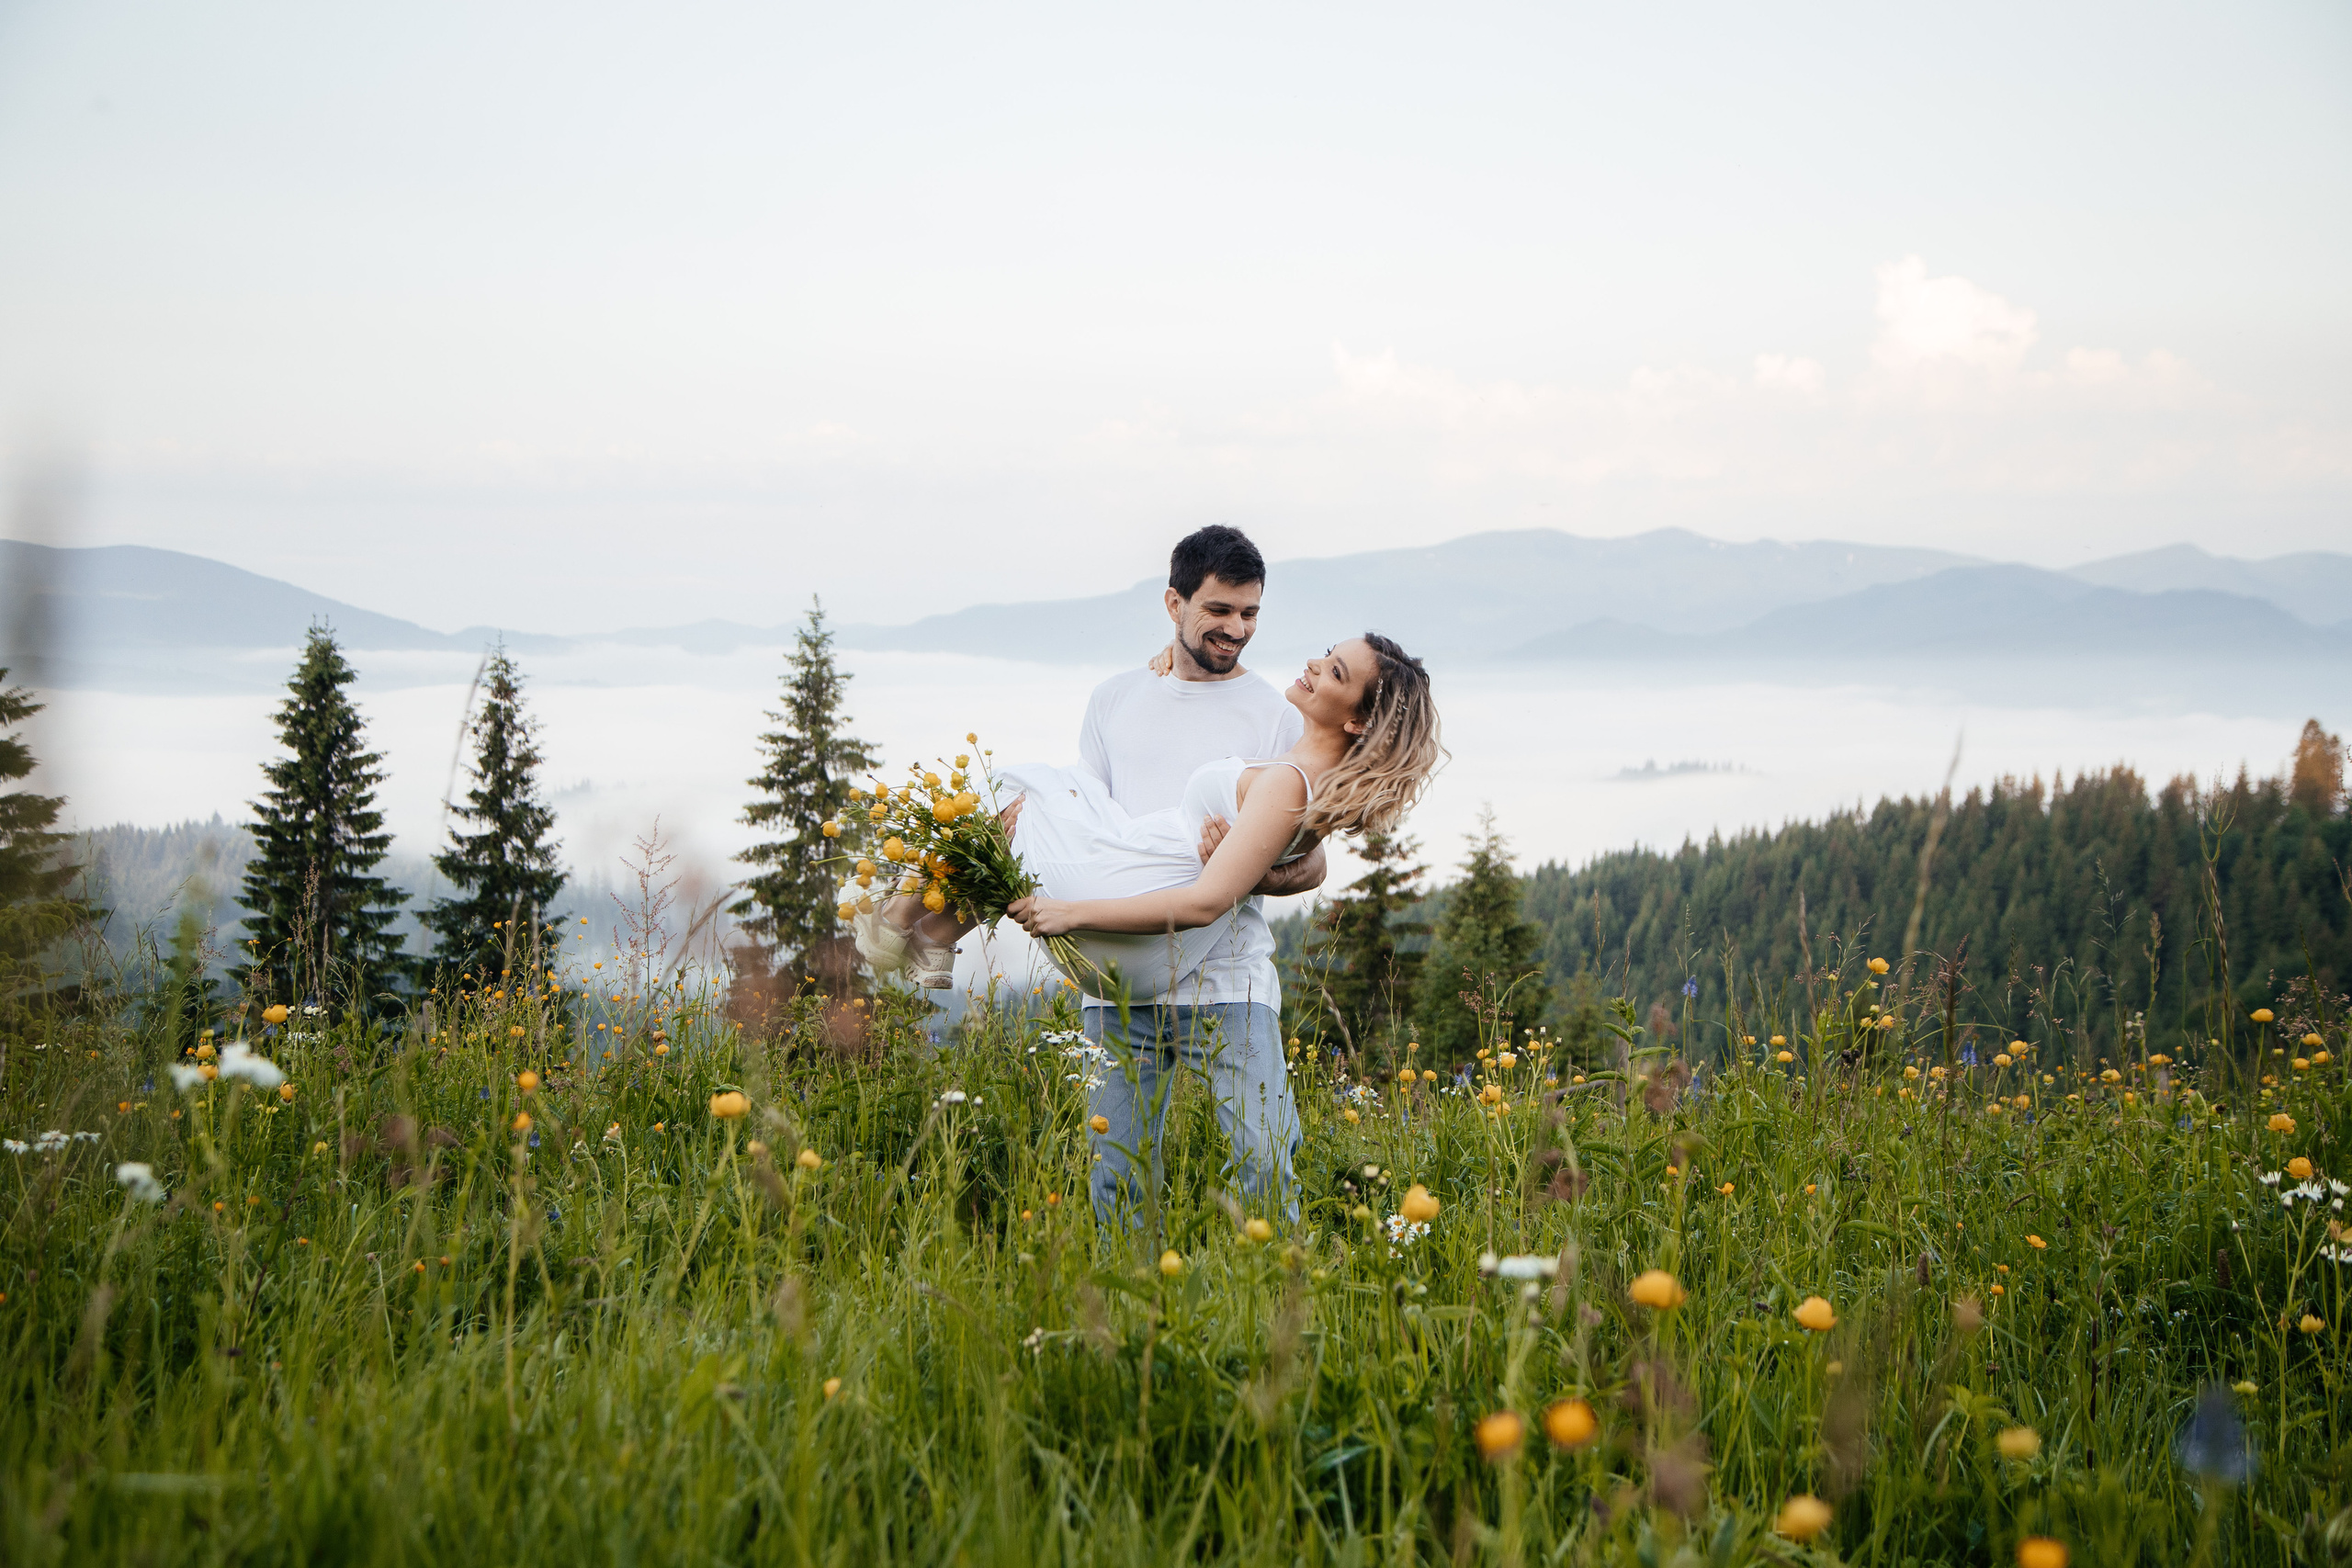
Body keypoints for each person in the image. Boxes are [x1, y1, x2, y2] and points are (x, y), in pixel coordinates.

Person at [863, 606, 1442, 1226]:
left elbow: (1207, 901)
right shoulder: (1307, 775)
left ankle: (896, 932)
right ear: (1178, 604)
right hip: (1139, 908)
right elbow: (1282, 857)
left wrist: (1070, 911)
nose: (1311, 664)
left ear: (1355, 718)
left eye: (1332, 670)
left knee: (1012, 792)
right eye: (1327, 653)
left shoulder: (1291, 782)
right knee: (1015, 815)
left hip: (1145, 904)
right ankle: (921, 941)